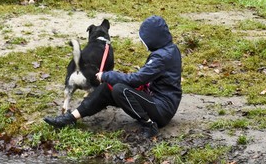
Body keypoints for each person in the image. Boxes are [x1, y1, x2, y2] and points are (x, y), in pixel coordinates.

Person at [45, 15, 182, 139]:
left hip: (162, 109)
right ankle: (70, 118)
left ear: (153, 38)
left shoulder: (163, 56)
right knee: (106, 88)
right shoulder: (167, 50)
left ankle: (149, 125)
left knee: (120, 89)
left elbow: (136, 80)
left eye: (145, 39)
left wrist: (107, 75)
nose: (143, 43)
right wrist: (108, 78)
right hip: (152, 98)